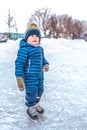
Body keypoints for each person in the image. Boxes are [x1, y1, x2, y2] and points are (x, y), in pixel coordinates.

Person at [15, 23, 49, 122]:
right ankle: (30, 108)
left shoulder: (40, 49)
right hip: (29, 77)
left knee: (40, 90)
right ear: (27, 38)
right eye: (32, 36)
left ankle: (36, 104)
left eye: (37, 36)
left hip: (40, 76)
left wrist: (46, 65)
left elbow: (43, 59)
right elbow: (19, 64)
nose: (35, 38)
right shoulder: (24, 50)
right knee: (31, 93)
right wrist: (19, 77)